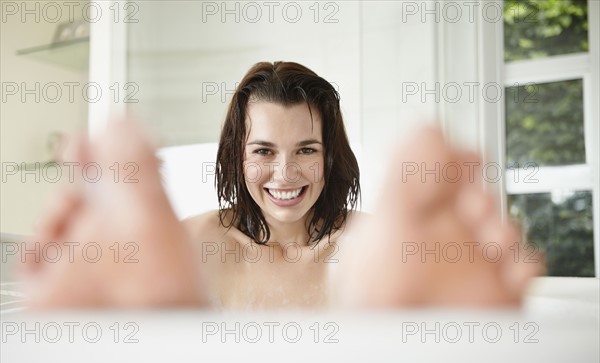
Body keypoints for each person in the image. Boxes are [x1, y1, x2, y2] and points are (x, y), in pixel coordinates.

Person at [20, 61, 542, 309]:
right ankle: (152, 318)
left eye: (307, 151)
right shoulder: (195, 245)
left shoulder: (375, 245)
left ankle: (402, 321)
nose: (286, 175)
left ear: (331, 157)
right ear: (235, 156)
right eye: (264, 152)